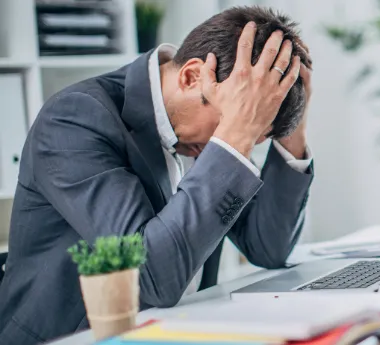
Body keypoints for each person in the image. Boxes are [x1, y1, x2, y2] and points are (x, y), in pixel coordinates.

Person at [0, 6, 314, 344]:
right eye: (238, 124)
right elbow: (151, 277)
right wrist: (234, 133)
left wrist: (289, 130)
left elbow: (267, 248)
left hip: (179, 328)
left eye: (253, 134)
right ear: (192, 77)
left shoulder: (203, 125)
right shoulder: (75, 118)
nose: (240, 142)